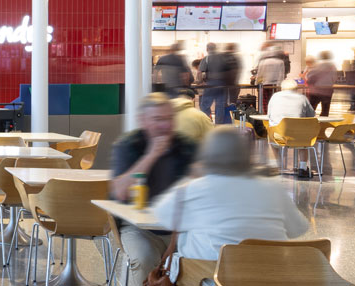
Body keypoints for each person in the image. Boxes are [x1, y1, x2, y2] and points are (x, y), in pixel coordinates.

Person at [152, 127, 313, 275]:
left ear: (206, 155)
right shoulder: (273, 188)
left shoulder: (196, 188)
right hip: (269, 278)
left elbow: (162, 214)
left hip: (207, 278)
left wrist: (191, 178)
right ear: (247, 155)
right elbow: (299, 228)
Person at [108, 94, 199, 286]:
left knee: (202, 262)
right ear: (143, 120)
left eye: (168, 119)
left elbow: (197, 192)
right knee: (143, 258)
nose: (165, 125)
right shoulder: (129, 145)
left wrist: (175, 242)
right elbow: (120, 192)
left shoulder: (186, 147)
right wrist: (151, 155)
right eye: (158, 119)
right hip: (138, 227)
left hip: (181, 230)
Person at [199, 42, 241, 123]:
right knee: (220, 106)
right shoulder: (222, 58)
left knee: (204, 105)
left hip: (210, 84)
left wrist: (200, 82)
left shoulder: (206, 59)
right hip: (222, 85)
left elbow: (200, 72)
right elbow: (229, 71)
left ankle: (208, 122)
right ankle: (219, 124)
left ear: (207, 49)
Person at [304, 52, 338, 117]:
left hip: (316, 91)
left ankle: (309, 123)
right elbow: (334, 78)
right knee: (325, 110)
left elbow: (310, 76)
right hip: (328, 90)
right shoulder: (332, 65)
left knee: (311, 109)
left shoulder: (318, 65)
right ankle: (323, 125)